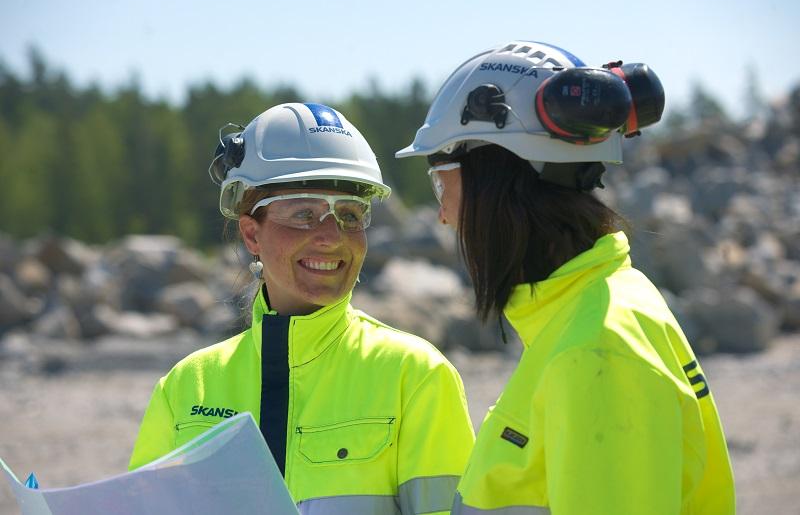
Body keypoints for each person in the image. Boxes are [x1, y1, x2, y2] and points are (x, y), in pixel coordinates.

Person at [396, 41, 735, 514]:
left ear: (497, 175)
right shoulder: (597, 308)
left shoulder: (596, 350)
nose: (443, 216)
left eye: (441, 181)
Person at [129, 102, 475, 514]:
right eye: (305, 214)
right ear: (251, 234)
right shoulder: (185, 389)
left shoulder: (416, 377)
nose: (332, 237)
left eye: (350, 214)